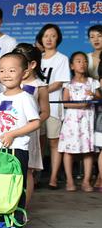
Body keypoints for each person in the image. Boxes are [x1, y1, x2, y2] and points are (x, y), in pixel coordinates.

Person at [0, 52, 40, 228]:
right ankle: (3, 221)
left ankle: (15, 226)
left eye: (11, 70)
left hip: (17, 150)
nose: (6, 74)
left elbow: (35, 122)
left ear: (24, 73)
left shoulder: (26, 98)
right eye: (2, 70)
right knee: (0, 185)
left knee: (15, 187)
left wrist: (13, 134)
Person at [58, 52, 100, 192]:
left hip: (87, 122)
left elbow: (99, 98)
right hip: (72, 123)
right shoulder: (68, 84)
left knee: (88, 151)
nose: (82, 64)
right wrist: (81, 105)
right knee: (68, 151)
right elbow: (65, 103)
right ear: (72, 65)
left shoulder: (93, 82)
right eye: (78, 61)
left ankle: (86, 181)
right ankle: (70, 181)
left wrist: (94, 95)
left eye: (84, 61)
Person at [13, 43, 49, 207]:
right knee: (9, 168)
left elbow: (45, 112)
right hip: (10, 131)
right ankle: (7, 205)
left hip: (29, 134)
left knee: (26, 170)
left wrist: (33, 123)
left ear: (32, 64)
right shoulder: (12, 82)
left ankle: (23, 209)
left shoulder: (40, 86)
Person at [37, 24, 70, 189]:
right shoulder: (37, 58)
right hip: (35, 106)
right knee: (39, 142)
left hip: (53, 105)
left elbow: (58, 83)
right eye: (46, 36)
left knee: (54, 142)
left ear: (58, 38)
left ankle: (53, 177)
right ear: (41, 39)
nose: (49, 39)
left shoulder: (62, 59)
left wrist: (41, 92)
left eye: (53, 36)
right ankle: (35, 176)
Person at [86, 25, 102, 190]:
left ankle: (100, 176)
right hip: (90, 105)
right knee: (92, 141)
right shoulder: (86, 58)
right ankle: (90, 175)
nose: (96, 39)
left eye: (99, 36)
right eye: (92, 36)